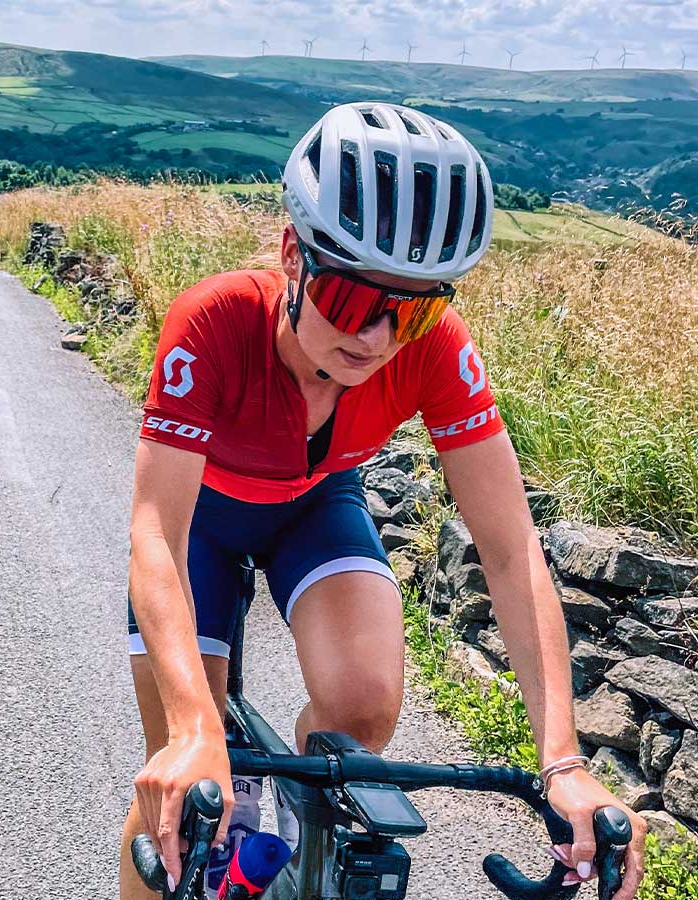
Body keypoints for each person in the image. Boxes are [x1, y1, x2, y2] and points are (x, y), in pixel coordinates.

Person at [120, 102, 645, 900]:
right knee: (184, 795)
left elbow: (509, 553)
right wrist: (195, 728)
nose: (377, 338)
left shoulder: (434, 350)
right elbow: (157, 533)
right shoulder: (215, 320)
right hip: (203, 522)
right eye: (357, 301)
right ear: (294, 255)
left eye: (417, 307)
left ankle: (290, 855)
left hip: (313, 506)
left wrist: (565, 763)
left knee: (362, 712)